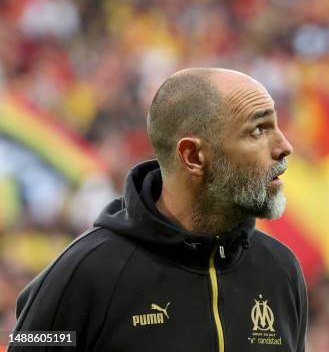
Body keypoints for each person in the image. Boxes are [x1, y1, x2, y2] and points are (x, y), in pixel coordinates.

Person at [10, 68, 307, 352]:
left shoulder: (281, 269)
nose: (284, 146)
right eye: (258, 130)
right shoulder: (83, 273)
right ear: (192, 156)